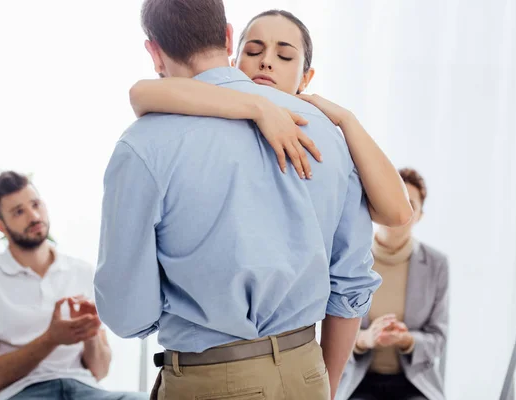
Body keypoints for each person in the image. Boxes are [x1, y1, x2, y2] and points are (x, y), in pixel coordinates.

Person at [94, 1, 381, 399]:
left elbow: (127, 314)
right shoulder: (325, 131)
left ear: (153, 52)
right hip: (308, 372)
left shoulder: (143, 145)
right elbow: (351, 282)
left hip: (211, 378)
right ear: (229, 37)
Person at [128, 9, 413, 228]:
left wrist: (348, 120)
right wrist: (259, 108)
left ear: (306, 78)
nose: (266, 61)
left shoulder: (323, 137)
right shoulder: (207, 100)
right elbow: (142, 92)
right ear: (233, 61)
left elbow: (398, 213)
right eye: (253, 51)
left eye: (285, 56)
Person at [0, 171, 147, 400]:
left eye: (36, 204)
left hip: (84, 390)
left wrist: (90, 333)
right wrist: (51, 339)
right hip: (20, 394)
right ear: (1, 226)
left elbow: (100, 371)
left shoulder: (81, 271)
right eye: (18, 212)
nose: (34, 216)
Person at [336, 168, 449, 400]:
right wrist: (363, 340)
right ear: (374, 204)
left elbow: (439, 338)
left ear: (420, 216)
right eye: (392, 200)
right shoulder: (349, 257)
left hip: (414, 384)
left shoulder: (437, 264)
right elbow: (325, 331)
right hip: (359, 382)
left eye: (411, 205)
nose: (399, 211)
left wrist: (408, 340)